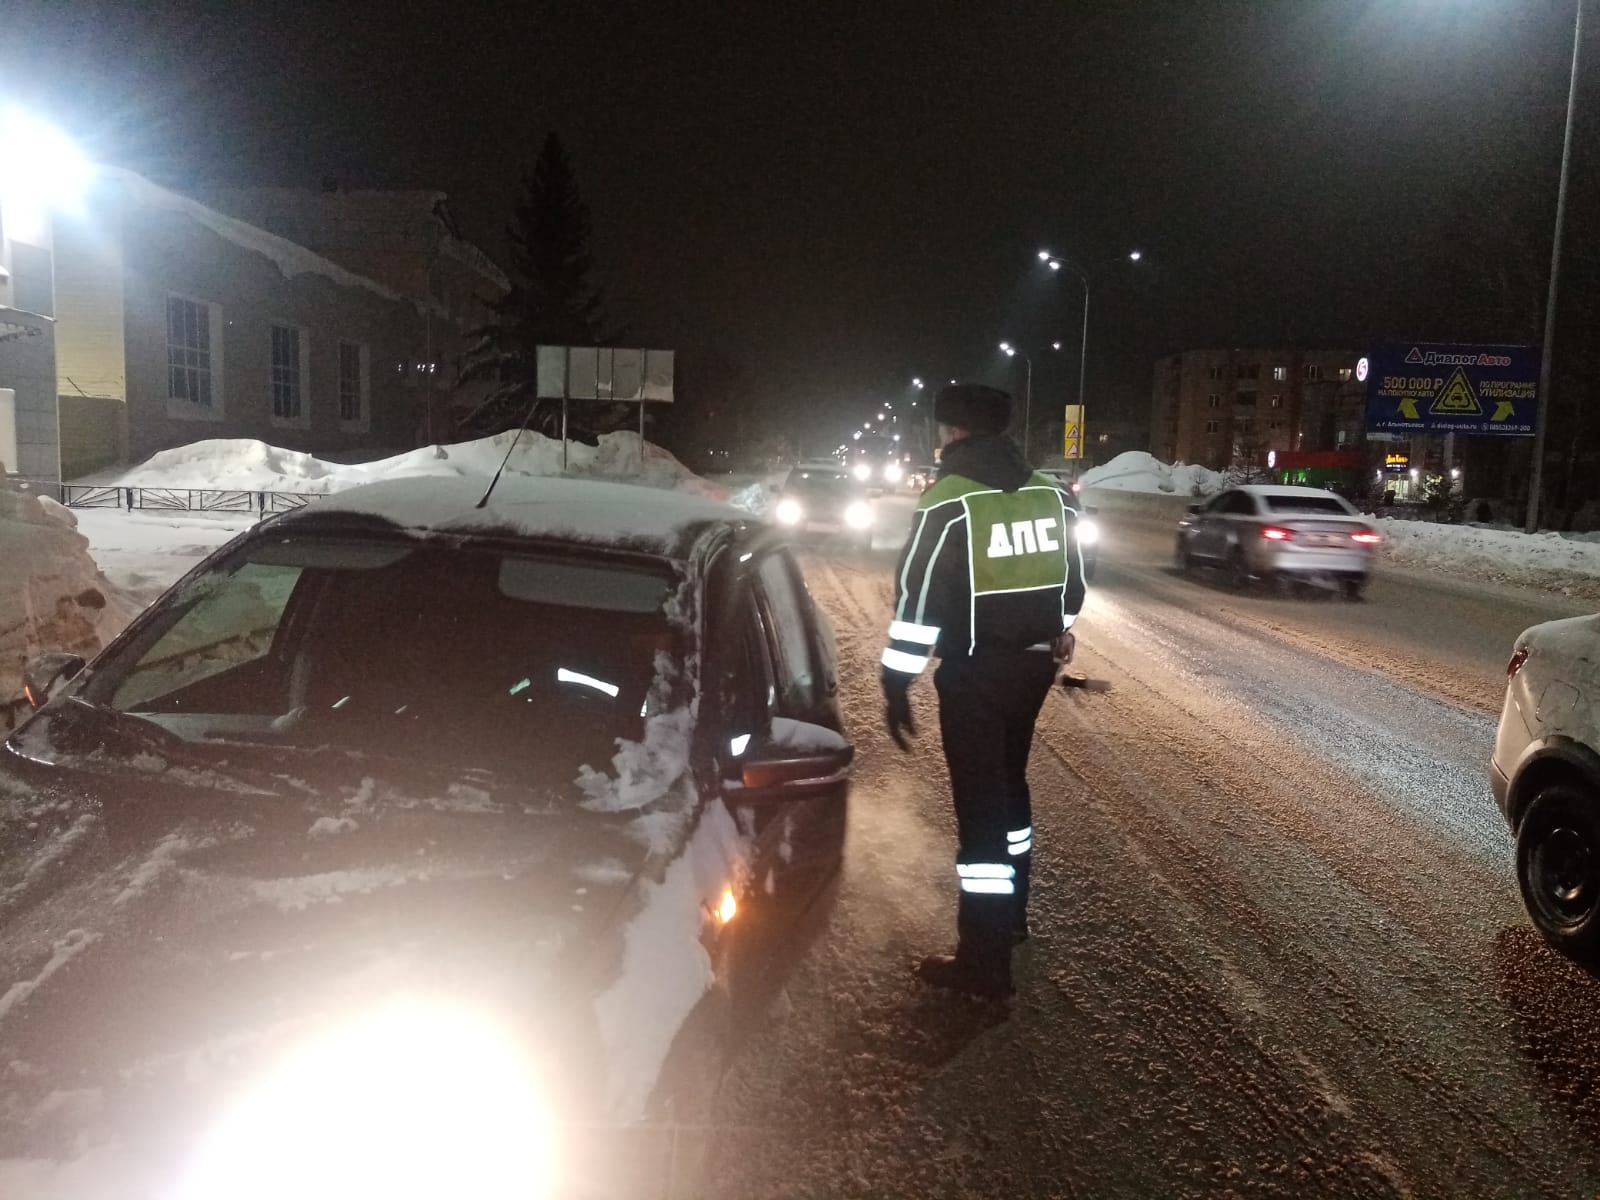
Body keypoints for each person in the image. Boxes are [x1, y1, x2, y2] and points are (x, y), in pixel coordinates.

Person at [880, 383, 1086, 999]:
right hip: (1033, 670)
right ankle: (1014, 919)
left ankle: (983, 963)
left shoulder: (947, 502)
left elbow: (917, 603)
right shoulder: (1052, 495)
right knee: (1010, 785)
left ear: (952, 432)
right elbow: (1073, 586)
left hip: (974, 675)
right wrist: (1057, 633)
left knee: (981, 817)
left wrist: (897, 680)